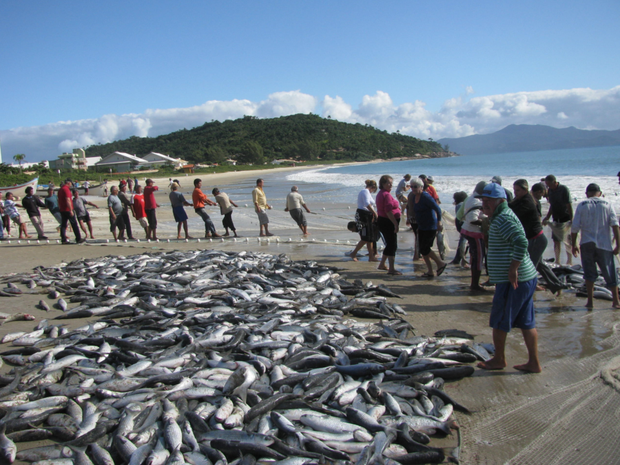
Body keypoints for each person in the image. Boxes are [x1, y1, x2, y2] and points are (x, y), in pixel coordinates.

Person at [476, 183, 541, 373]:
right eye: (483, 200)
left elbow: (521, 241)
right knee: (527, 322)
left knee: (499, 320)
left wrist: (513, 269)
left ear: (500, 200)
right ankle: (534, 363)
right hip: (525, 278)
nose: (484, 204)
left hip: (514, 280)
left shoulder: (503, 217)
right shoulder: (500, 215)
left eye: (489, 200)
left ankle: (498, 359)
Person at [570, 183, 620, 309]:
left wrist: (574, 245)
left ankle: (590, 302)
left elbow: (575, 227)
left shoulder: (581, 205)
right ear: (600, 193)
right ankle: (616, 301)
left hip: (586, 244)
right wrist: (618, 245)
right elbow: (615, 225)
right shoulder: (607, 204)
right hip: (604, 244)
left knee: (589, 274)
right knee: (610, 273)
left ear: (587, 194)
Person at [410, 177, 446, 277]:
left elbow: (437, 209)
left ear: (421, 187)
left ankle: (440, 263)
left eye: (415, 187)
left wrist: (439, 222)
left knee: (425, 248)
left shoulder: (426, 197)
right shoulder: (413, 197)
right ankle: (430, 271)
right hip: (421, 226)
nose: (413, 188)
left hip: (430, 226)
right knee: (422, 249)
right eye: (411, 187)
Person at [510, 179, 548, 269]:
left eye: (518, 190)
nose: (515, 192)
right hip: (534, 239)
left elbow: (513, 214)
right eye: (514, 190)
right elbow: (509, 207)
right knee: (539, 265)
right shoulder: (519, 200)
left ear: (525, 190)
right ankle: (557, 283)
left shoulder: (527, 202)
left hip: (536, 239)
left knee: (529, 268)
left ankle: (534, 283)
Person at [457, 181, 487, 290]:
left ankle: (475, 283)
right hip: (474, 232)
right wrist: (487, 221)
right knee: (478, 258)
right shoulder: (475, 201)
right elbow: (472, 219)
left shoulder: (472, 198)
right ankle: (475, 285)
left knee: (475, 256)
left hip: (468, 230)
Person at [542, 174, 573, 265]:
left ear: (555, 182)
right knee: (556, 240)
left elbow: (569, 204)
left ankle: (569, 261)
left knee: (568, 241)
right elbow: (552, 206)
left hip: (566, 218)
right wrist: (547, 217)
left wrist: (572, 219)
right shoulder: (550, 191)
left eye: (550, 185)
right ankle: (557, 260)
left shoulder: (563, 189)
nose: (548, 187)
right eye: (547, 185)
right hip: (556, 218)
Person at [376, 175, 402, 275]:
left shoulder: (381, 193)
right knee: (392, 245)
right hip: (387, 222)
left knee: (389, 244)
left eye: (391, 183)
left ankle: (382, 264)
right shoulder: (386, 195)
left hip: (383, 221)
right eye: (388, 183)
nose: (391, 185)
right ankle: (391, 269)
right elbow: (388, 211)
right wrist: (395, 224)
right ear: (383, 184)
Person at [348, 180, 379, 262]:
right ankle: (353, 253)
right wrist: (375, 213)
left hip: (367, 215)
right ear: (373, 187)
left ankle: (371, 256)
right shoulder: (365, 191)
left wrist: (372, 215)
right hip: (363, 216)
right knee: (365, 238)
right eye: (374, 190)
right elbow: (366, 204)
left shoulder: (368, 193)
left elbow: (371, 204)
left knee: (370, 238)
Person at [58, 179, 84, 244]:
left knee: (64, 225)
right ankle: (78, 238)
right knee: (74, 224)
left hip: (62, 209)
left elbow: (58, 200)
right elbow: (68, 200)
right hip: (67, 209)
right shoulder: (66, 189)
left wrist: (60, 208)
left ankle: (63, 239)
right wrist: (70, 210)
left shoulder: (60, 189)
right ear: (69, 183)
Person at [450, 191, 469, 267]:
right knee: (463, 243)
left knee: (463, 243)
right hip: (464, 226)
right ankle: (462, 261)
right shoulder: (462, 205)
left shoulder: (458, 205)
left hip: (460, 226)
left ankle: (458, 259)